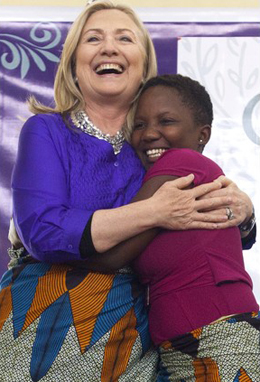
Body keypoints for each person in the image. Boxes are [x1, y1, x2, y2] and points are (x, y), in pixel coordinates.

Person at [0, 1, 256, 381]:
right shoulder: (46, 131)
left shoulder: (156, 143)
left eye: (124, 38)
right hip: (49, 317)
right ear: (73, 62)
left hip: (144, 331)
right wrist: (154, 212)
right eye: (93, 38)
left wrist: (245, 215)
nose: (109, 47)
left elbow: (200, 221)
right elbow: (44, 231)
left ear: (143, 65)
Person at [130, 74, 259, 381]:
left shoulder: (182, 163)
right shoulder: (166, 180)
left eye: (166, 121)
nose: (149, 134)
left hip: (221, 343)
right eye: (138, 124)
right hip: (187, 346)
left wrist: (44, 238)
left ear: (203, 134)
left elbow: (110, 254)